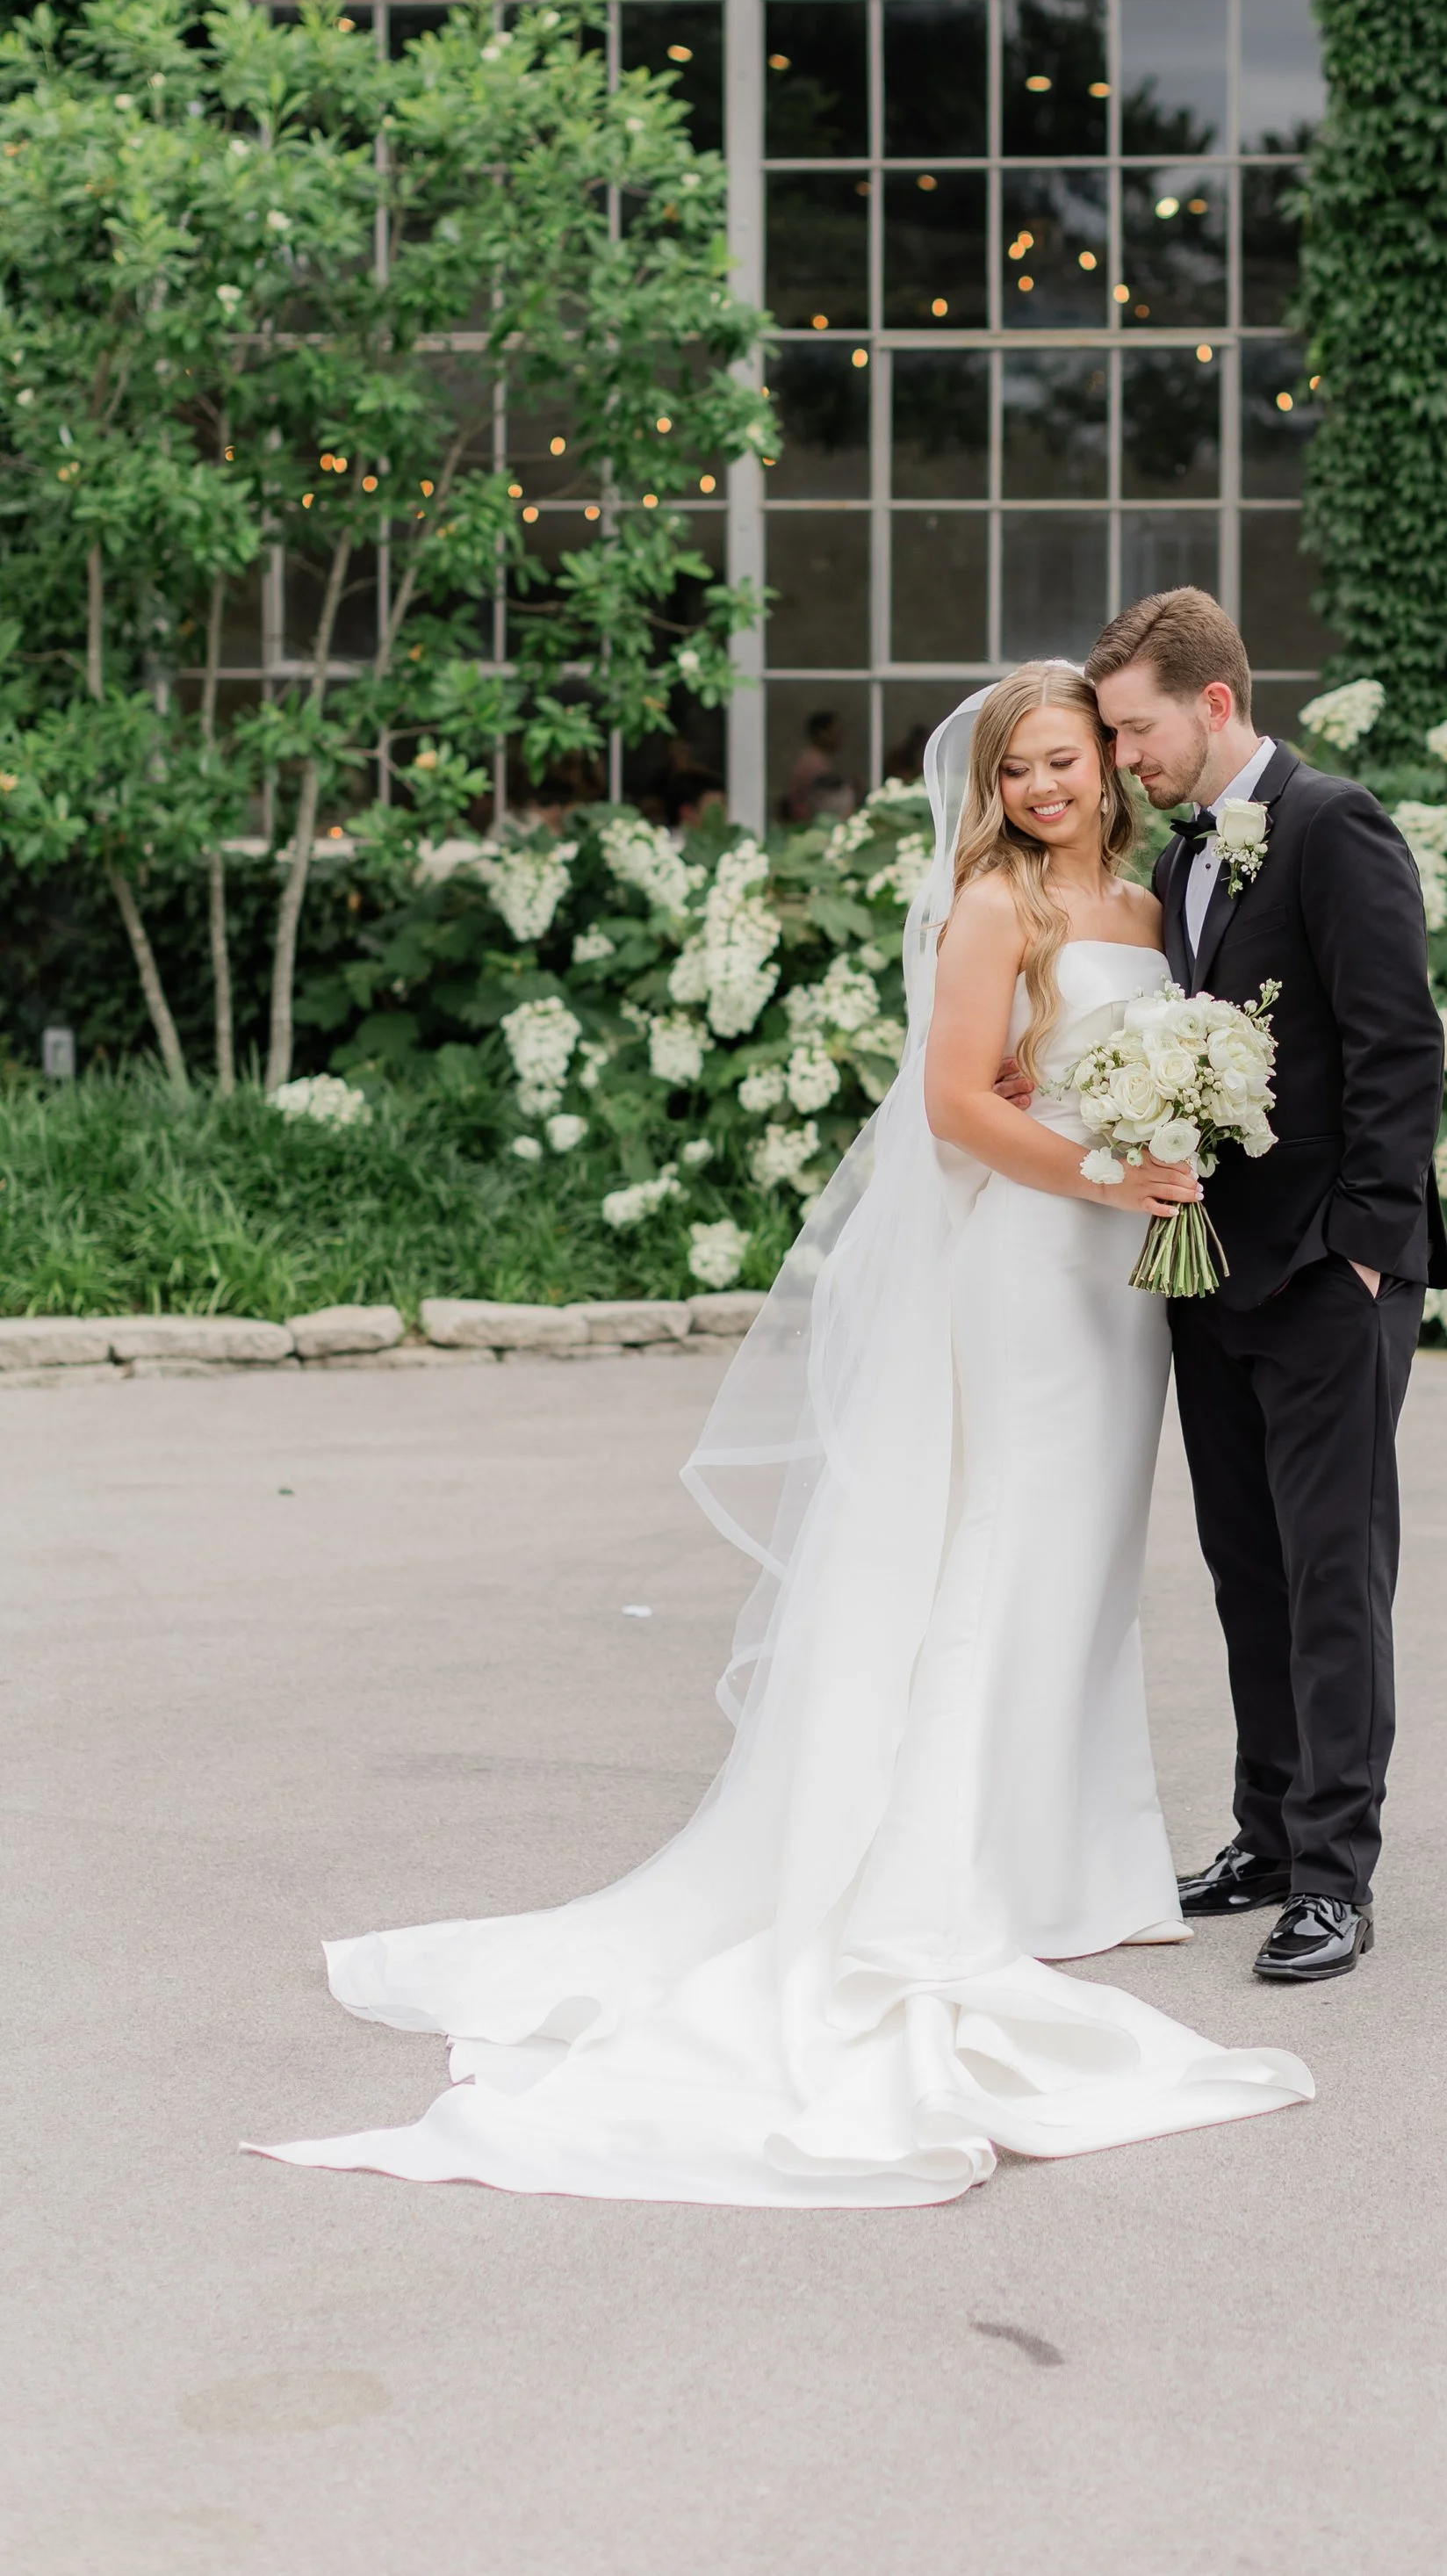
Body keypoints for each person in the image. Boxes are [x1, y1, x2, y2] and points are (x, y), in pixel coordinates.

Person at [252, 662, 1311, 2208]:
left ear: (1112, 762)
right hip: (1031, 1271)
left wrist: (1169, 1138)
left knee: (1082, 1561)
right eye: (1018, 767)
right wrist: (1095, 1176)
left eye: (1067, 758)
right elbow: (956, 1106)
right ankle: (965, 1864)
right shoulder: (991, 910)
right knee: (1002, 1549)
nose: (1043, 787)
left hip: (1122, 1287)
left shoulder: (1157, 905)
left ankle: (1072, 1853)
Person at [1088, 589, 1447, 1986]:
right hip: (1210, 1272)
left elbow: (1395, 1043)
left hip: (1323, 1276)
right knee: (1245, 1566)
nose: (1126, 759)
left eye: (1137, 730)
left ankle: (1338, 1877)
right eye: (1114, 734)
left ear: (1215, 702)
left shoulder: (1333, 823)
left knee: (1334, 1571)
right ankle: (1267, 1831)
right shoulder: (1187, 848)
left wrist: (1363, 1249)